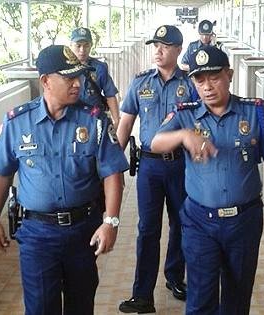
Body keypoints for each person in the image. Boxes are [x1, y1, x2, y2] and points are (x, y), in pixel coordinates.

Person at [0, 45, 129, 315]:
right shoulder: (17, 123)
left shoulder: (93, 121)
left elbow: (112, 173)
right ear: (45, 81)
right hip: (37, 234)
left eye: (79, 77)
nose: (78, 84)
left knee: (81, 305)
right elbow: (1, 174)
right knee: (41, 308)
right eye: (69, 78)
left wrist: (110, 222)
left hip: (82, 231)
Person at [151, 45, 264, 314]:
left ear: (230, 74)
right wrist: (182, 136)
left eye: (214, 78)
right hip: (200, 220)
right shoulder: (185, 113)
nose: (207, 87)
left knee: (237, 298)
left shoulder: (255, 111)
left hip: (244, 220)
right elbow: (156, 142)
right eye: (199, 80)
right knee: (201, 298)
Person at [116, 25, 198, 313]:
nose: (158, 51)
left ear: (178, 49)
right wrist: (114, 168)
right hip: (150, 166)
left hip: (181, 165)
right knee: (147, 229)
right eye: (155, 46)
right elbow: (125, 125)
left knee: (182, 224)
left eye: (164, 46)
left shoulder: (190, 84)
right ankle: (142, 294)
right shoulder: (141, 84)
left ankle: (175, 277)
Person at [70, 27, 121, 126]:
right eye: (78, 46)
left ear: (91, 46)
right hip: (71, 118)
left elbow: (110, 95)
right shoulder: (63, 68)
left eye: (86, 46)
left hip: (95, 118)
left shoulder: (99, 68)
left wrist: (117, 121)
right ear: (71, 45)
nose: (82, 50)